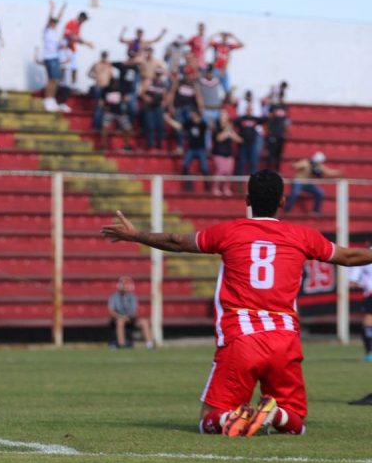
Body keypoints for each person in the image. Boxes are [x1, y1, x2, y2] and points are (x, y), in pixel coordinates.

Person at [101, 169, 372, 437]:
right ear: (282, 201)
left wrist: (136, 235)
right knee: (296, 421)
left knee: (208, 419)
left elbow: (177, 241)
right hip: (285, 338)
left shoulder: (229, 231)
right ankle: (275, 414)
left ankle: (230, 416)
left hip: (242, 338)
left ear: (247, 200)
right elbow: (349, 257)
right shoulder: (302, 236)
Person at [165, 109, 209, 192]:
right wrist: (168, 120)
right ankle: (188, 184)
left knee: (205, 168)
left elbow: (210, 126)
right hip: (191, 148)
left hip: (201, 149)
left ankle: (207, 186)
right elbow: (178, 126)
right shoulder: (189, 123)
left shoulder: (202, 124)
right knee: (185, 166)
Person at [108, 276, 153, 349]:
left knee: (144, 322)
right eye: (124, 285)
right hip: (119, 318)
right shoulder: (114, 297)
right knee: (120, 322)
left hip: (131, 319)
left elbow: (134, 311)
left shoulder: (133, 297)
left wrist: (128, 317)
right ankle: (122, 344)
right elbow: (111, 311)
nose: (125, 287)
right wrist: (121, 317)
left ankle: (149, 344)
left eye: (127, 285)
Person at [165, 72, 204, 153]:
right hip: (179, 108)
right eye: (188, 74)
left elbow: (198, 97)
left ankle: (190, 147)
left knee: (191, 128)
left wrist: (201, 108)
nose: (189, 76)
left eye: (191, 74)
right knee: (179, 128)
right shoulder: (179, 82)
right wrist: (170, 106)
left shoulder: (195, 84)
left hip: (190, 109)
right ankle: (180, 147)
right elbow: (172, 93)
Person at [41, 0, 67, 112]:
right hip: (49, 57)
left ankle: (51, 99)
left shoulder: (55, 32)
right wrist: (52, 8)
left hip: (55, 57)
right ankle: (48, 99)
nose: (54, 24)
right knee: (51, 79)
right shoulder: (46, 31)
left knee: (55, 80)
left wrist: (63, 8)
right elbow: (50, 18)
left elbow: (58, 18)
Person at [211, 110, 243, 196]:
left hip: (229, 153)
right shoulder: (216, 127)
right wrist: (227, 131)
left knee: (229, 172)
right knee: (221, 171)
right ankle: (215, 188)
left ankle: (226, 188)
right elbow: (219, 138)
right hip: (218, 153)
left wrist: (231, 133)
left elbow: (239, 140)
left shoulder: (230, 129)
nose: (224, 117)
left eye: (225, 115)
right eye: (222, 115)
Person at [348, 251, 372, 362]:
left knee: (368, 323)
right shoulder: (365, 255)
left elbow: (352, 281)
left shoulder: (364, 255)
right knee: (368, 322)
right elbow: (353, 281)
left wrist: (363, 283)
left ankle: (369, 352)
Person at [139, 68, 168, 151]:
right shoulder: (149, 82)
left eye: (159, 74)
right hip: (149, 107)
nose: (158, 76)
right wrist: (146, 98)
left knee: (160, 126)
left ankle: (159, 144)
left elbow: (165, 96)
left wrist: (163, 103)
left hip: (158, 107)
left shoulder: (163, 84)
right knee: (150, 126)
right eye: (157, 74)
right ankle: (150, 144)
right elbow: (141, 93)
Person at [63, 12, 94, 88]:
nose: (84, 22)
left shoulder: (78, 26)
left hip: (72, 49)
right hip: (66, 48)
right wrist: (86, 42)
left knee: (75, 67)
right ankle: (63, 84)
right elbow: (68, 35)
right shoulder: (71, 23)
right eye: (84, 20)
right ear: (81, 18)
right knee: (65, 67)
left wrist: (86, 44)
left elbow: (77, 39)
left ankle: (73, 85)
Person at [209, 32, 244, 96]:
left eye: (226, 38)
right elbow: (208, 40)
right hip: (216, 69)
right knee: (213, 87)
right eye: (223, 37)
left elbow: (242, 45)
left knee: (227, 89)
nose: (225, 39)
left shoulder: (229, 46)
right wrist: (217, 34)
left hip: (224, 70)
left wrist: (233, 37)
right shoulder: (217, 45)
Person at [265, 102, 290, 172]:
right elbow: (267, 126)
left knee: (278, 154)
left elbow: (286, 126)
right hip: (272, 136)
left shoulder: (284, 118)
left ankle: (276, 170)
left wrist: (286, 132)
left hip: (280, 136)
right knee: (271, 154)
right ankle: (269, 170)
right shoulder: (271, 118)